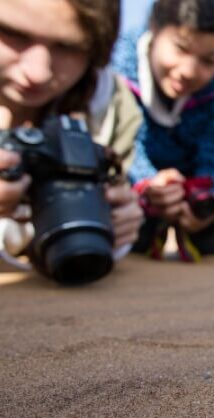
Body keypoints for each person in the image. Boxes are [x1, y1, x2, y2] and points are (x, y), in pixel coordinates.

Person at [0, 0, 143, 272]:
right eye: (13, 33)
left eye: (69, 47)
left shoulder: (111, 105)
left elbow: (120, 187)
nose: (38, 72)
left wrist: (115, 215)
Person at [112, 0, 214, 262]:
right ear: (154, 28)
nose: (188, 71)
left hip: (195, 181)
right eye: (181, 48)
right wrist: (148, 184)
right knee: (130, 236)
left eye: (208, 60)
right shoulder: (115, 70)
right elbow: (121, 147)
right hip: (134, 179)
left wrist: (203, 200)